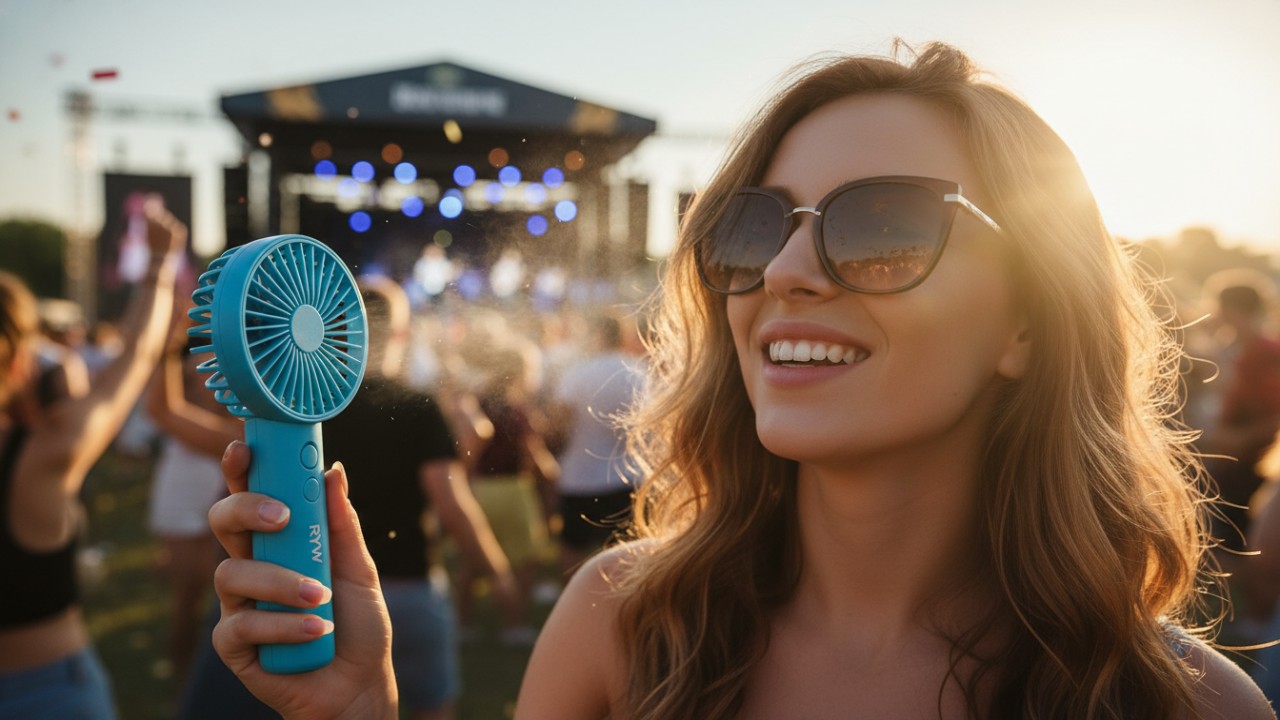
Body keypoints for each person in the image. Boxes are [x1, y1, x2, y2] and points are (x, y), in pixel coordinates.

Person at [205, 42, 1273, 719]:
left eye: (885, 227)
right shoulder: (620, 624)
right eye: (752, 227)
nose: (784, 274)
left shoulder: (1184, 704)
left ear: (1029, 325)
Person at [0, 198, 186, 720]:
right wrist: (158, 265)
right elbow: (132, 360)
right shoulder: (40, 456)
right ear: (20, 361)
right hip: (48, 691)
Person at [325, 275, 520, 719]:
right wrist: (498, 572)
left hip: (328, 590)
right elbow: (450, 504)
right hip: (407, 585)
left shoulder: (311, 409)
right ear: (399, 334)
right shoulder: (415, 406)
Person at [547, 311, 648, 574]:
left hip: (580, 476)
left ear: (598, 335)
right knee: (627, 550)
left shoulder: (577, 373)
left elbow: (559, 426)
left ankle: (571, 606)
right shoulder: (637, 371)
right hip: (627, 476)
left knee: (572, 547)